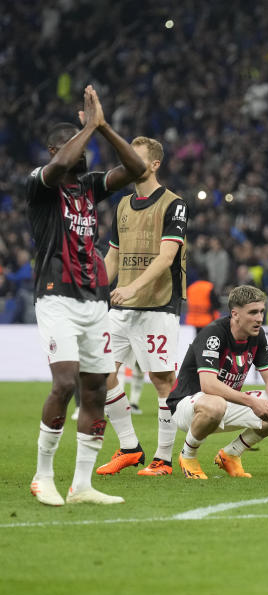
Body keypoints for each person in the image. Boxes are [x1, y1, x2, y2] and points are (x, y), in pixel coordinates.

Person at [26, 85, 147, 505]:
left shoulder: (90, 187)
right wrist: (87, 130)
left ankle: (82, 485)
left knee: (95, 388)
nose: (84, 153)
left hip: (94, 301)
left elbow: (134, 169)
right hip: (55, 296)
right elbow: (60, 163)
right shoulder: (40, 186)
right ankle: (43, 477)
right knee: (64, 383)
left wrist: (103, 127)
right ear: (55, 148)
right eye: (74, 146)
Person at [95, 136, 188, 477]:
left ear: (154, 164)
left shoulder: (175, 205)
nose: (129, 162)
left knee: (162, 381)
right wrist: (95, 291)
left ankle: (163, 459)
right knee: (100, 372)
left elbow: (167, 257)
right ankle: (130, 447)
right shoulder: (122, 205)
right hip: (121, 309)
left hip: (157, 306)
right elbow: (113, 257)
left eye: (136, 157)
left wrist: (132, 287)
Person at [166, 285, 268, 479]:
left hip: (226, 403)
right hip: (187, 405)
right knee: (215, 403)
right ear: (235, 314)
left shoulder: (257, 335)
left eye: (261, 311)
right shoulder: (213, 334)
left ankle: (231, 454)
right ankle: (188, 455)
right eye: (253, 312)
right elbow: (208, 385)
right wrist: (252, 402)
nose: (259, 318)